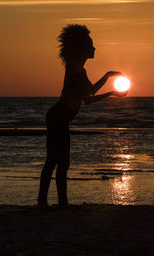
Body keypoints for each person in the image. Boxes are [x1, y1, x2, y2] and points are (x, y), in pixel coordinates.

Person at [37, 24, 127, 206]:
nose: (94, 48)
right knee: (54, 161)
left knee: (62, 162)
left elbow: (90, 92)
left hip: (60, 118)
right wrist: (111, 92)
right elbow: (88, 99)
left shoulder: (77, 68)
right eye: (91, 45)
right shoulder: (77, 70)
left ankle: (60, 202)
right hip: (57, 118)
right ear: (82, 49)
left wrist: (109, 77)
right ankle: (44, 202)